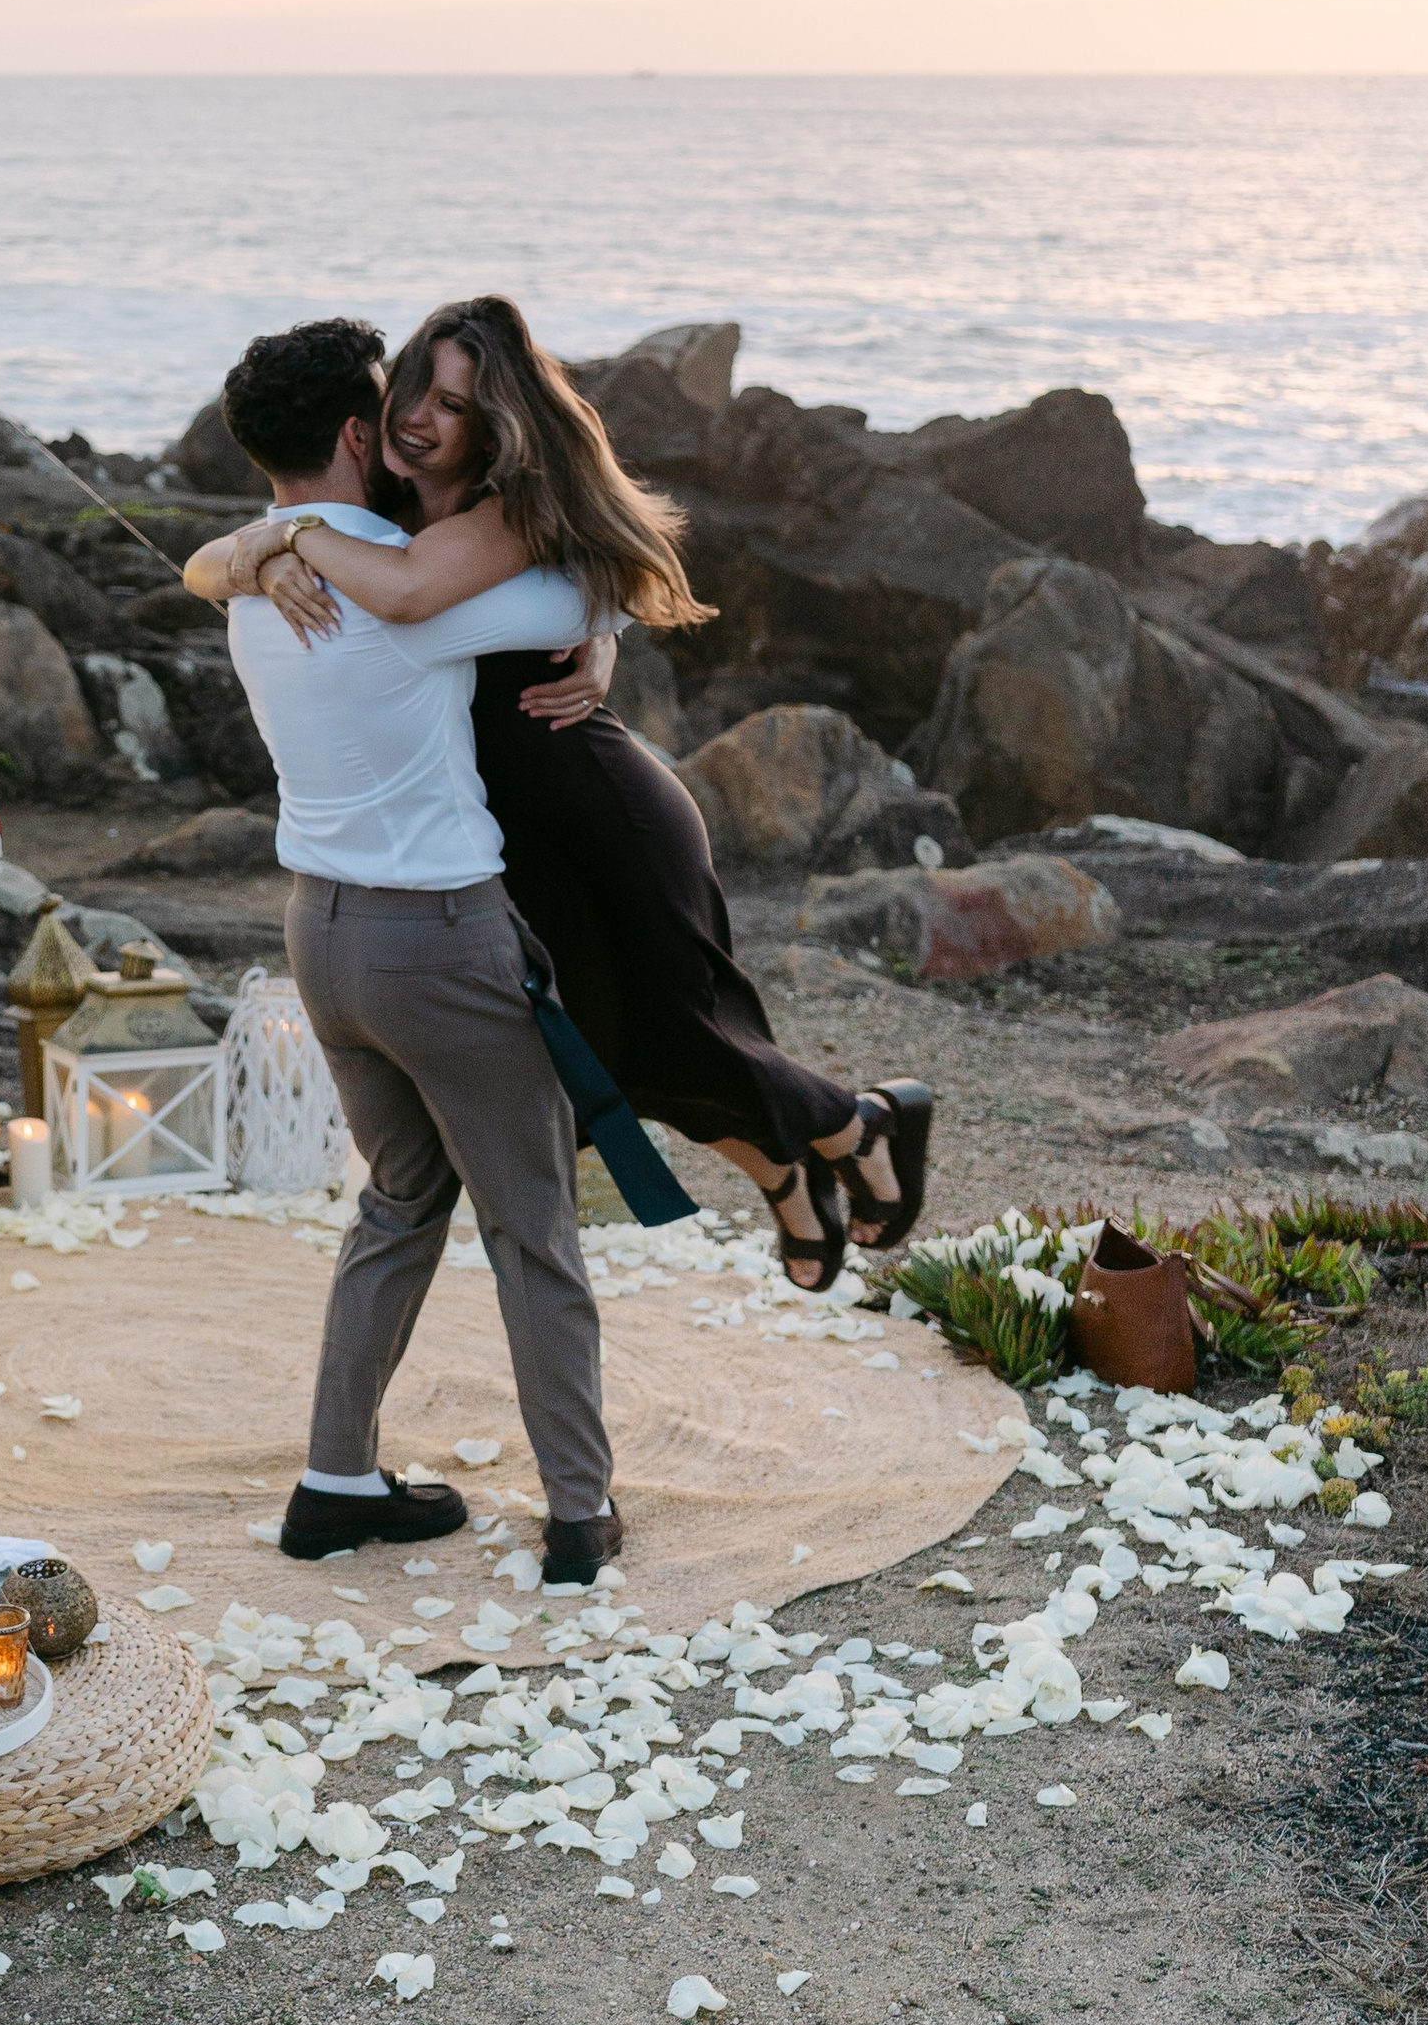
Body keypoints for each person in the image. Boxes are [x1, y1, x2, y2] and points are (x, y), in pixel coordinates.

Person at [188, 296, 933, 1294]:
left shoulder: (504, 509)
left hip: (595, 802)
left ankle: (860, 1125)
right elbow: (219, 561)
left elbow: (581, 584)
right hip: (506, 826)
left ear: (494, 422)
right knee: (612, 1053)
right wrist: (256, 551)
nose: (423, 419)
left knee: (680, 1030)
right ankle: (800, 1168)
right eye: (416, 391)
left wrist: (285, 545)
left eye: (455, 406)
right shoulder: (384, 512)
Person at [207, 315, 626, 1588]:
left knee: (398, 1200)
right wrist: (603, 635)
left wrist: (255, 540)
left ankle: (337, 1480)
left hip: (318, 937)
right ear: (356, 430)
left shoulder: (256, 584)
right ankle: (577, 1511)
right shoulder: (407, 571)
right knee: (533, 1227)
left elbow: (224, 559)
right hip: (439, 940)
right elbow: (596, 574)